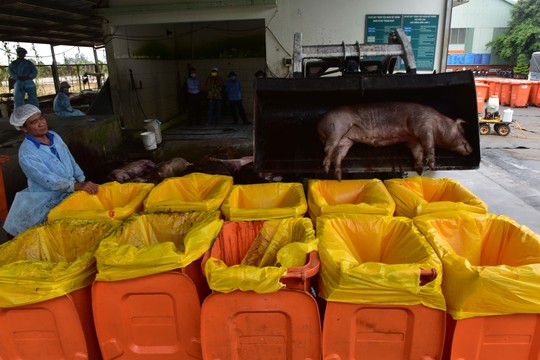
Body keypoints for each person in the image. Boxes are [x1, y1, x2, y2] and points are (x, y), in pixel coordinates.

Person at [3, 104, 99, 237]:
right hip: (48, 198)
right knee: (56, 233)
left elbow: (70, 159)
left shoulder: (54, 136)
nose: (41, 124)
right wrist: (77, 186)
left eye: (41, 118)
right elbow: (49, 181)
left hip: (71, 189)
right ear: (23, 128)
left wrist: (81, 179)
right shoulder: (27, 153)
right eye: (34, 122)